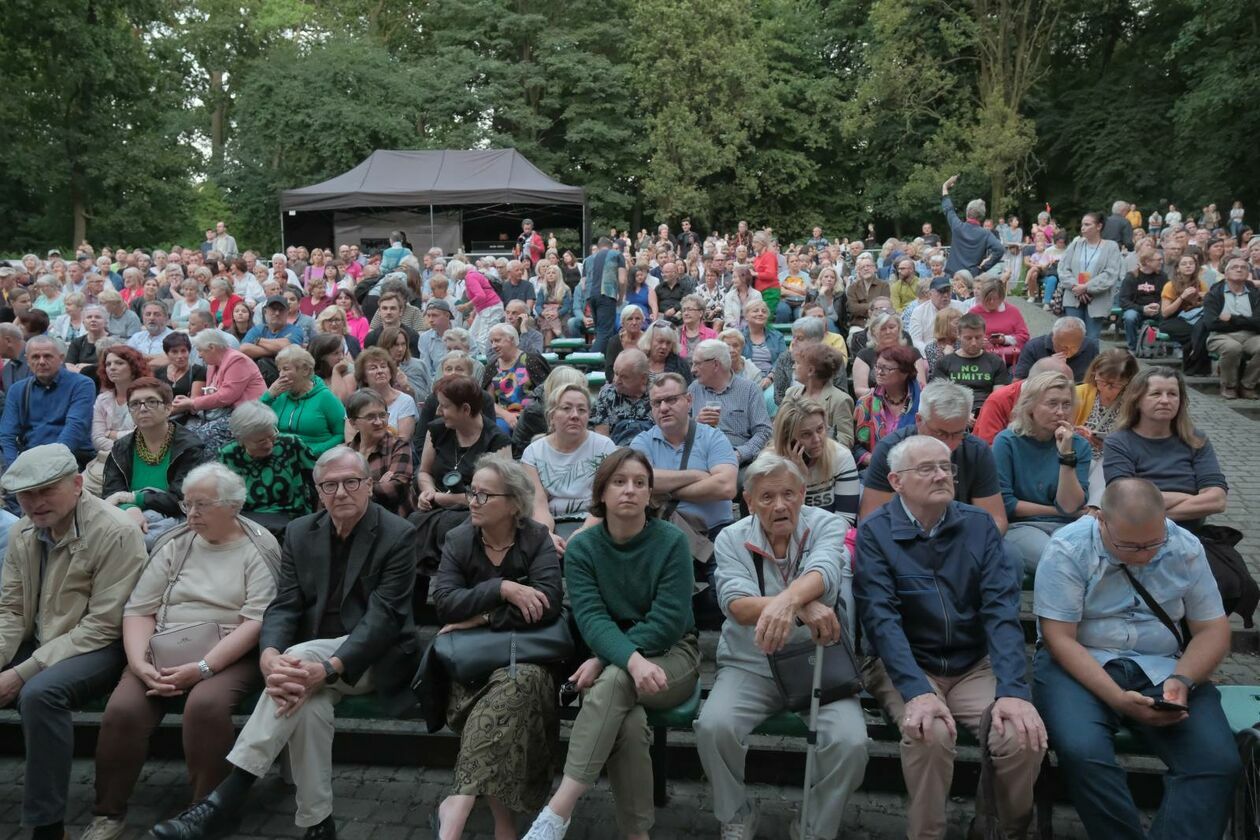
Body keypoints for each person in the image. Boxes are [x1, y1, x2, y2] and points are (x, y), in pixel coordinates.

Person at [151, 447, 421, 840]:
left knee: (300, 657)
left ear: (368, 486)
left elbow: (384, 620)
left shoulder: (399, 534)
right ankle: (318, 824)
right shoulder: (300, 531)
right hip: (305, 670)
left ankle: (227, 797)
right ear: (318, 491)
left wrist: (327, 667)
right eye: (330, 485)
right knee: (307, 704)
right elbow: (285, 604)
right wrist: (269, 654)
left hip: (371, 659)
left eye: (351, 482)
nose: (341, 492)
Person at [856, 435, 1047, 840]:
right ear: (896, 481)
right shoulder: (875, 533)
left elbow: (1002, 612)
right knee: (929, 731)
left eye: (947, 467)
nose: (942, 475)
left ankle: (999, 830)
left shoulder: (978, 526)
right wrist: (915, 690)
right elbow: (881, 620)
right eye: (927, 469)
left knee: (1021, 737)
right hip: (907, 664)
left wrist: (1014, 689)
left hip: (973, 664)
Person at [1033, 477, 1239, 839]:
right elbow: (1058, 639)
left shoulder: (1183, 545)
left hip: (1162, 663)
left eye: (1152, 544)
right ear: (1102, 521)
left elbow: (1212, 629)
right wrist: (1117, 699)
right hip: (1082, 662)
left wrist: (1183, 679)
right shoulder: (1068, 547)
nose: (1144, 554)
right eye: (1129, 546)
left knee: (1216, 761)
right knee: (1084, 753)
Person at [84, 464, 280, 840]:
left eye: (202, 506)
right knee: (124, 709)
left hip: (232, 651)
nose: (191, 514)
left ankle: (205, 812)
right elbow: (140, 608)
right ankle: (108, 812)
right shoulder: (176, 541)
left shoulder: (260, 546)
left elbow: (256, 621)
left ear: (233, 506)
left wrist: (204, 667)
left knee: (205, 706)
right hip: (168, 644)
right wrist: (140, 664)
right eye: (188, 504)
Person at [520, 449, 699, 840]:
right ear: (601, 492)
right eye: (619, 482)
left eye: (639, 483)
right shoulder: (583, 549)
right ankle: (637, 835)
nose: (630, 491)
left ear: (651, 494)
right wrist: (625, 660)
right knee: (630, 723)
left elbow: (668, 623)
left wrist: (608, 659)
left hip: (672, 655)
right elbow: (592, 619)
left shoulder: (671, 543)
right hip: (622, 661)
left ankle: (557, 812)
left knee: (616, 680)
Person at [695, 452, 866, 840]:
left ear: (803, 494)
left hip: (817, 661)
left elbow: (825, 570)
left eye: (788, 494)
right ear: (749, 501)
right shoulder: (731, 538)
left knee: (851, 742)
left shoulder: (826, 525)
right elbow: (736, 606)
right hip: (750, 663)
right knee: (713, 727)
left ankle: (813, 826)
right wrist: (803, 604)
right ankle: (736, 812)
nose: (780, 505)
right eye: (767, 497)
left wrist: (787, 603)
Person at [0, 445, 145, 840]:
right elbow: (11, 609)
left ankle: (46, 827)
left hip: (101, 646)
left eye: (47, 490)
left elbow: (103, 624)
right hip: (45, 636)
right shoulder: (22, 530)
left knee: (40, 695)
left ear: (79, 484)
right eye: (25, 494)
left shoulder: (115, 531)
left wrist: (19, 672)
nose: (35, 502)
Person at [430, 457, 565, 840]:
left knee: (519, 685)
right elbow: (444, 603)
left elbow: (548, 605)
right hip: (470, 668)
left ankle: (457, 807)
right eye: (472, 491)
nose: (473, 500)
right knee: (512, 698)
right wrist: (503, 589)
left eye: (484, 495)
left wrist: (485, 618)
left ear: (513, 503)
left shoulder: (536, 538)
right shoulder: (459, 539)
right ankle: (504, 826)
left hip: (528, 656)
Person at [858, 379, 1007, 530]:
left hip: (962, 537)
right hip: (902, 538)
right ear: (919, 420)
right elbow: (872, 521)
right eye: (940, 433)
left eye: (957, 433)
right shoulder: (890, 449)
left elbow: (996, 520)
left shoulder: (977, 451)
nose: (947, 444)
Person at [1103, 367, 1227, 533]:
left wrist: (1148, 509)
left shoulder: (1196, 440)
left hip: (1190, 534)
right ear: (1137, 400)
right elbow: (1124, 501)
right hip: (1138, 536)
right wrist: (1194, 500)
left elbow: (1217, 500)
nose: (1165, 400)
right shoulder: (1118, 442)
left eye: (1172, 394)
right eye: (1156, 394)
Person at [412, 375, 514, 579]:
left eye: (445, 406)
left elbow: (498, 496)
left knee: (457, 530)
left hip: (475, 512)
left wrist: (447, 499)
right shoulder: (438, 430)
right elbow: (424, 472)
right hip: (435, 509)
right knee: (410, 528)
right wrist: (428, 491)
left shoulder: (497, 441)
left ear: (465, 409)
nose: (439, 411)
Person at [993, 371, 1091, 574]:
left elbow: (1070, 505)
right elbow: (1008, 505)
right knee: (1057, 559)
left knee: (1094, 558)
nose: (1060, 412)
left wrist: (1066, 456)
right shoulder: (1007, 442)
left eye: (1066, 404)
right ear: (1030, 406)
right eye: (1052, 404)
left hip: (1068, 526)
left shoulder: (1078, 445)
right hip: (1022, 526)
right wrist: (1059, 512)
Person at [102, 377, 205, 547]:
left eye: (151, 402)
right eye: (135, 404)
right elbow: (111, 492)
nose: (142, 408)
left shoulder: (189, 446)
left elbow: (182, 500)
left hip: (175, 519)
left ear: (168, 408)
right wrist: (129, 508)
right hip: (128, 517)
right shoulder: (122, 447)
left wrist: (134, 498)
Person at [519, 383, 616, 542]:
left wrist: (583, 533)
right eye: (566, 408)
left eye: (582, 410)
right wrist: (547, 536)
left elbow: (604, 501)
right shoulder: (533, 452)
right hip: (551, 523)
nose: (575, 415)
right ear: (551, 416)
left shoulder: (604, 447)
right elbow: (538, 504)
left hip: (594, 523)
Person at [0, 335, 96, 470]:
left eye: (47, 356)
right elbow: (6, 434)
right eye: (35, 357)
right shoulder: (18, 390)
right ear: (27, 360)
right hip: (30, 459)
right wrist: (14, 468)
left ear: (61, 358)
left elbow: (76, 427)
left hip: (72, 458)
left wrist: (50, 465)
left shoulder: (81, 384)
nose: (41, 362)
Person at [769, 398, 859, 523]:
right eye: (806, 434)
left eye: (820, 429)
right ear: (788, 438)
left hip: (831, 535)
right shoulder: (770, 463)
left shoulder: (840, 457)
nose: (817, 439)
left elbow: (845, 519)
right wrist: (797, 477)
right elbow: (774, 522)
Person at [687, 339, 772, 468]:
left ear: (715, 365)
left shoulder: (749, 389)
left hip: (738, 460)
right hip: (699, 457)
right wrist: (696, 422)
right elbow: (679, 427)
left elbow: (764, 431)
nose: (692, 370)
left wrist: (739, 455)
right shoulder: (694, 388)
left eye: (697, 364)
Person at [1073, 348, 1138, 506]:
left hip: (1111, 461)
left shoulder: (1134, 403)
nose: (1106, 388)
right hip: (1077, 455)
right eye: (1101, 380)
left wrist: (1112, 444)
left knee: (1108, 461)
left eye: (1114, 384)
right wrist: (1075, 432)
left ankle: (1093, 509)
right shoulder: (1079, 393)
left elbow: (1138, 440)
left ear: (1128, 380)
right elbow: (1060, 426)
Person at [259, 345, 346, 456]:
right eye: (279, 370)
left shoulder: (325, 397)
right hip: (279, 456)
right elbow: (253, 422)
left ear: (305, 370)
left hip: (313, 459)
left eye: (285, 369)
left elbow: (341, 433)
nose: (281, 375)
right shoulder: (279, 394)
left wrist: (315, 451)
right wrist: (268, 395)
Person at [1059, 212, 1124, 343]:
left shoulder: (1111, 247)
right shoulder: (1076, 244)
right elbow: (1063, 268)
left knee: (1091, 340)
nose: (1083, 228)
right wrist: (1075, 287)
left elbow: (1110, 274)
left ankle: (1091, 364)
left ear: (1099, 226)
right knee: (1072, 337)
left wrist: (1087, 287)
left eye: (1087, 224)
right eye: (1082, 224)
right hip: (1073, 296)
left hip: (1096, 298)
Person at [853, 345, 922, 468]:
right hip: (877, 470)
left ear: (904, 372)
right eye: (878, 367)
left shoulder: (924, 399)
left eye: (886, 368)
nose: (879, 372)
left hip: (917, 468)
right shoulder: (866, 403)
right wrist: (874, 459)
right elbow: (856, 447)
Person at [1202, 256, 1260, 399]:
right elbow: (1211, 323)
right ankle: (1229, 385)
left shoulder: (1255, 294)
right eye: (1235, 267)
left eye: (1244, 267)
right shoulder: (1214, 294)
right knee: (1233, 348)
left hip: (1251, 335)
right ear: (1226, 274)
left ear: (1248, 274)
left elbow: (1258, 322)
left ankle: (1248, 385)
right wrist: (1248, 320)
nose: (1239, 269)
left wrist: (1232, 318)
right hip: (1221, 336)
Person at [931, 313, 1010, 413]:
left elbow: (999, 398)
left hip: (987, 412)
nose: (974, 343)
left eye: (978, 337)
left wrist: (984, 414)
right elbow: (938, 397)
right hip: (953, 412)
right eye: (968, 338)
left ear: (984, 335)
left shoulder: (995, 362)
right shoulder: (945, 363)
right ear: (959, 336)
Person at [481, 323, 551, 433]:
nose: (493, 346)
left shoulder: (532, 360)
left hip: (532, 416)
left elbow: (547, 392)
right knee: (498, 429)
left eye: (497, 340)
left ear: (511, 339)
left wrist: (526, 415)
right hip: (503, 417)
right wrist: (506, 415)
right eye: (492, 342)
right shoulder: (492, 366)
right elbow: (488, 401)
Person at [784, 343, 854, 448]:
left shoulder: (840, 400)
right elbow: (779, 426)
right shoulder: (791, 393)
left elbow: (846, 440)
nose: (793, 366)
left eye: (797, 363)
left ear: (811, 370)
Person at [851, 311, 927, 400]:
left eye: (892, 327)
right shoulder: (864, 355)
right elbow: (859, 390)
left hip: (909, 402)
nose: (888, 332)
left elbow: (921, 386)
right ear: (874, 332)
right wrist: (884, 395)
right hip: (875, 403)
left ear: (899, 329)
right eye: (883, 328)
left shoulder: (913, 353)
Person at [940, 176, 1004, 277]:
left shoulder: (957, 226)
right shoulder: (986, 234)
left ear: (967, 212)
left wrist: (945, 187)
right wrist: (984, 267)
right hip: (971, 276)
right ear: (982, 216)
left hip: (952, 276)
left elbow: (948, 208)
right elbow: (1000, 250)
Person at [353, 347, 419, 442]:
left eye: (383, 366)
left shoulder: (405, 401)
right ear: (364, 377)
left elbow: (403, 440)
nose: (380, 371)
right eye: (373, 368)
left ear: (391, 372)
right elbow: (350, 439)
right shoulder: (355, 400)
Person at [591, 348, 654, 446]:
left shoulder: (659, 393)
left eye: (624, 377)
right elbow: (602, 440)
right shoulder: (606, 395)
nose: (616, 380)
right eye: (616, 373)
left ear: (643, 378)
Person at [1012, 315, 1099, 382]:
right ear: (1053, 337)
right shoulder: (1034, 347)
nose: (1068, 351)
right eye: (1062, 347)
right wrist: (1047, 366)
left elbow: (1097, 379)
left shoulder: (1090, 347)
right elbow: (1017, 384)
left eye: (1074, 347)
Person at [969, 276, 1030, 368]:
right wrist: (979, 341)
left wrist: (1004, 339)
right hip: (981, 360)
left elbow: (1024, 336)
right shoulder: (974, 312)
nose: (991, 302)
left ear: (1001, 298)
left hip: (1011, 360)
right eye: (988, 299)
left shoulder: (1012, 311)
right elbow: (965, 335)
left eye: (995, 299)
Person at [241, 296, 305, 383]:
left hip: (286, 379)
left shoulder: (296, 330)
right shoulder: (258, 329)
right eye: (273, 309)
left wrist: (258, 341)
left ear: (287, 312)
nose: (277, 313)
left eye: (281, 310)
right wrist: (277, 350)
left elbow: (287, 347)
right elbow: (244, 349)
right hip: (257, 378)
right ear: (265, 311)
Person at [582, 237, 628, 354]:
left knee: (599, 331)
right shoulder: (617, 255)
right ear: (611, 245)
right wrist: (621, 297)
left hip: (591, 296)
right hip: (607, 294)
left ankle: (602, 365)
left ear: (598, 247)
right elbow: (622, 280)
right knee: (605, 332)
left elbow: (583, 285)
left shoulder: (587, 260)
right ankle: (589, 364)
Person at [1116, 248, 1166, 351]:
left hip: (1156, 309)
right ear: (1148, 262)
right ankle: (1133, 347)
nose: (1161, 262)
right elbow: (1123, 301)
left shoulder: (1162, 276)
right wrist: (1142, 309)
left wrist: (1158, 305)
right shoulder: (1132, 276)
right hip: (1136, 309)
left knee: (1168, 313)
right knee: (1130, 316)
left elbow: (1167, 296)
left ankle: (1160, 347)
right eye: (1158, 260)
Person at [155, 332, 206, 413]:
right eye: (174, 352)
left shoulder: (199, 371)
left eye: (183, 351)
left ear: (189, 351)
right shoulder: (158, 372)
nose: (180, 356)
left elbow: (193, 403)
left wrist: (161, 415)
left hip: (185, 419)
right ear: (167, 354)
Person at [738, 300, 783, 392]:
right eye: (755, 311)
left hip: (771, 380)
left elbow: (783, 360)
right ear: (746, 316)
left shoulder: (777, 336)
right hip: (745, 379)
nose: (760, 313)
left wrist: (770, 377)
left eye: (764, 311)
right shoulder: (738, 336)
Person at [602, 305, 647, 380]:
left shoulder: (648, 340)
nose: (634, 322)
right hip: (619, 383)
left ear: (642, 321)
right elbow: (609, 371)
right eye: (630, 319)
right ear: (622, 323)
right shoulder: (614, 342)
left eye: (638, 319)